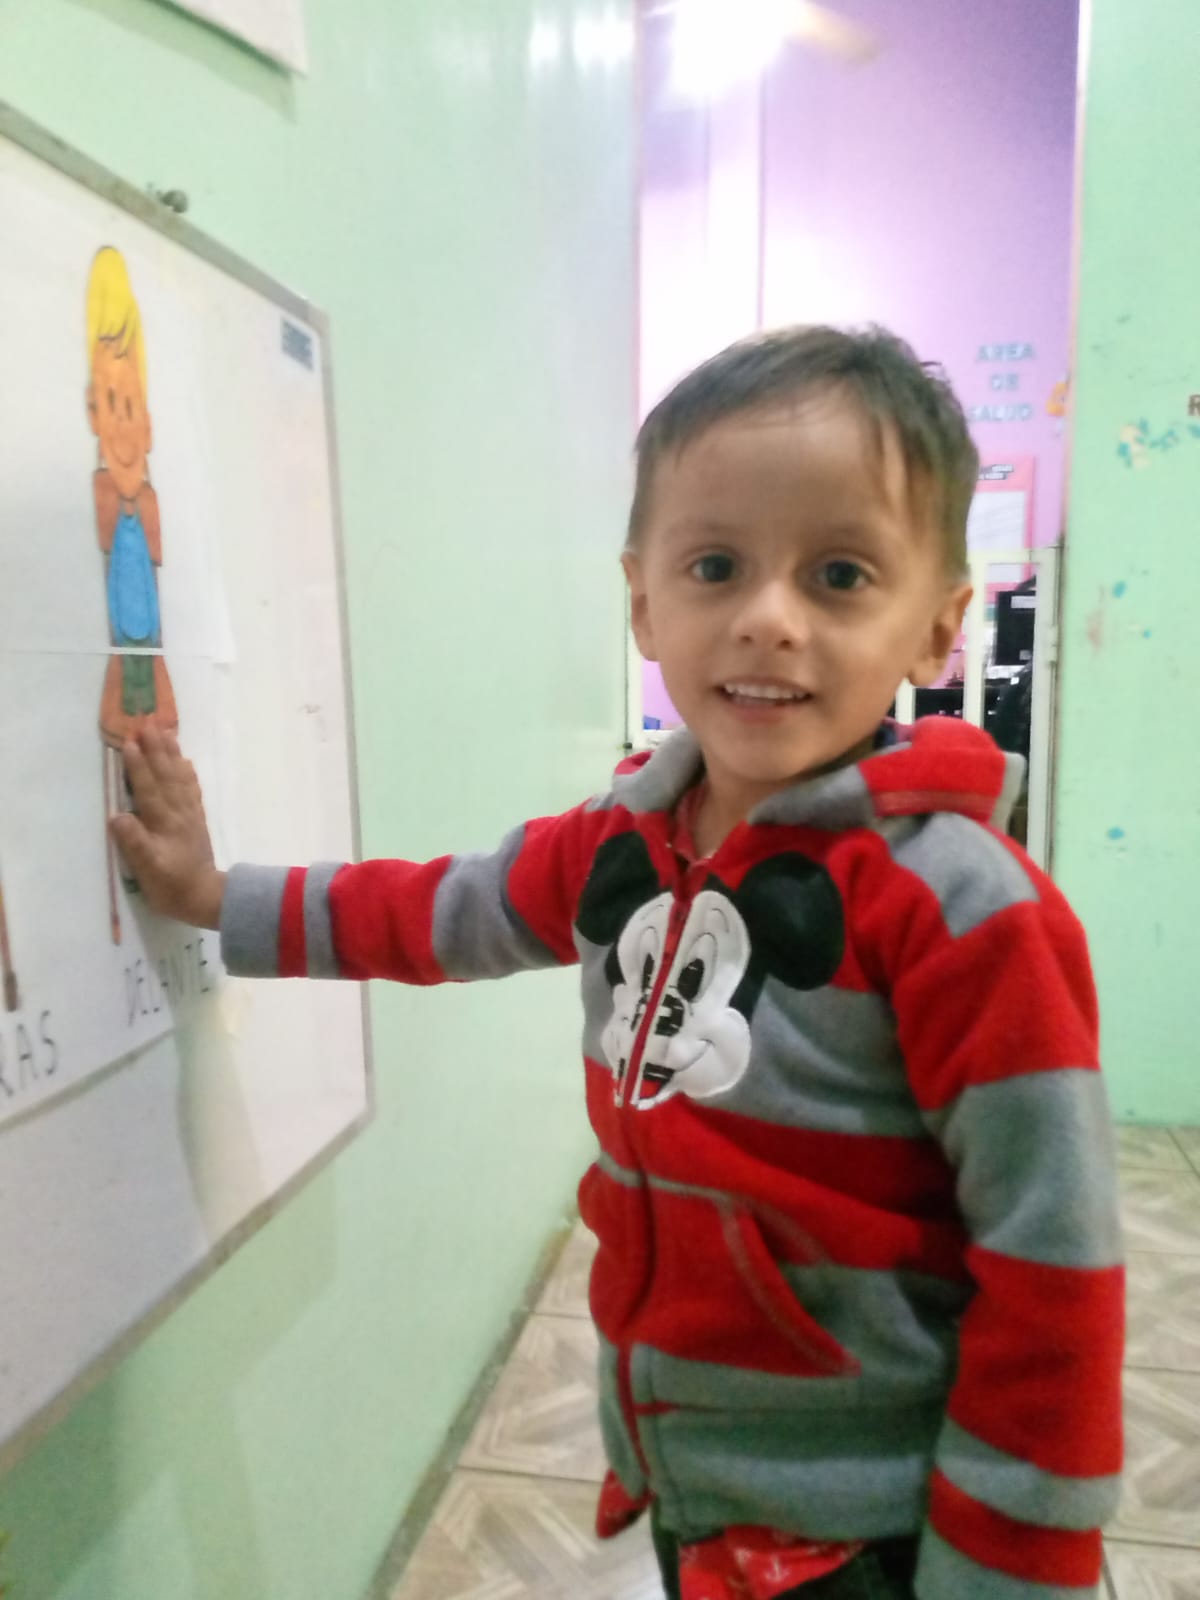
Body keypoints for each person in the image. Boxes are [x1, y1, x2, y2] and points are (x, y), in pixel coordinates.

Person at [111, 326, 1124, 1600]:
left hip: (870, 1520)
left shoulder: (970, 909)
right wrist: (217, 899)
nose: (768, 619)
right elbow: (438, 910)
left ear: (938, 628)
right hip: (689, 1478)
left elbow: (1055, 1267)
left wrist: (1012, 1568)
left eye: (840, 574)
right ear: (645, 602)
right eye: (716, 566)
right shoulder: (625, 840)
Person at [86, 245, 179, 941]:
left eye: (131, 408)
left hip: (150, 650)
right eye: (109, 405)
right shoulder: (102, 494)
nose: (122, 425)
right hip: (125, 651)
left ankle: (157, 866)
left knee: (158, 749)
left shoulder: (147, 502)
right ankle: (125, 885)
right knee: (121, 749)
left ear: (147, 425)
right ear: (94, 414)